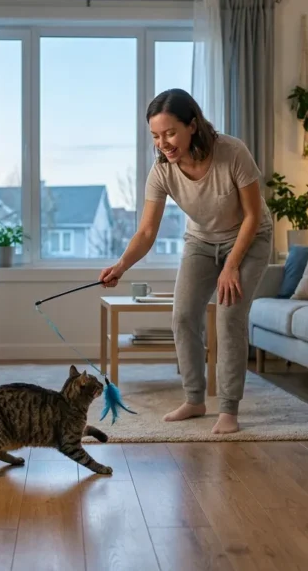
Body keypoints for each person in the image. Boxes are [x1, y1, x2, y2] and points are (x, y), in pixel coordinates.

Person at [99, 88, 273, 435]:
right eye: (156, 136)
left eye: (170, 132)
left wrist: (232, 265)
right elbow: (147, 231)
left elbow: (253, 215)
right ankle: (194, 399)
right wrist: (121, 266)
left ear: (193, 124)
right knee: (182, 316)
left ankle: (228, 408)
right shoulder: (162, 170)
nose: (163, 142)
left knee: (229, 317)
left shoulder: (232, 152)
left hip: (249, 239)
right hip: (201, 241)